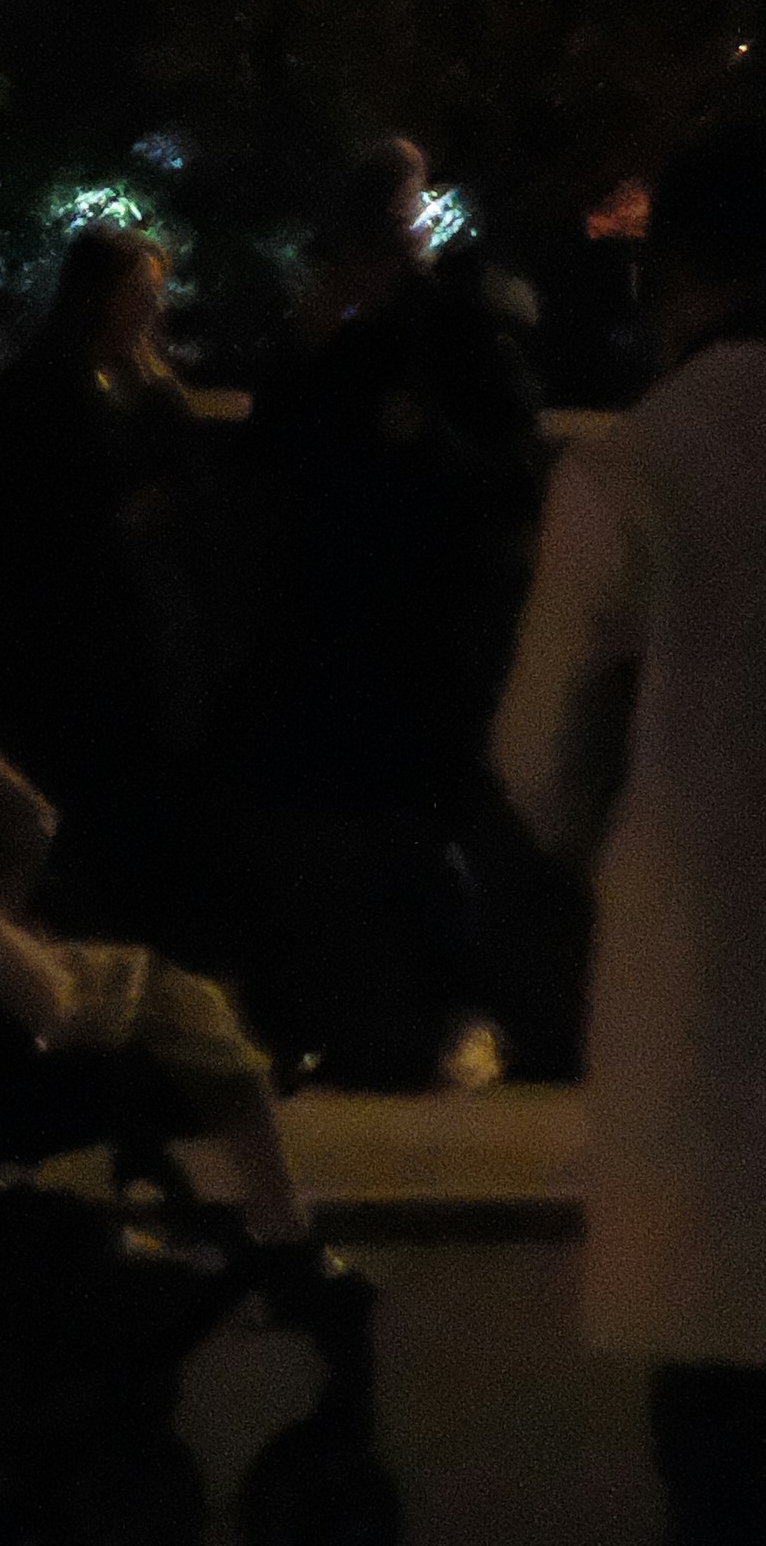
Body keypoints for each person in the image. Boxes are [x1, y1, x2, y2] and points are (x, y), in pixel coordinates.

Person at [493, 95, 766, 1542]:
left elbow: (542, 756)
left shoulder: (639, 466)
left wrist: (624, 841)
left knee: (723, 1429)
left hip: (715, 995)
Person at [227, 125, 545, 1086]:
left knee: (417, 826)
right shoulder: (332, 342)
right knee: (340, 831)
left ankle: (446, 1013)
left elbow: (501, 477)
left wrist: (417, 438)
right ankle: (344, 1020)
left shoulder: (456, 330)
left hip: (418, 628)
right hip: (339, 629)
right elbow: (275, 466)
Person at [0, 219, 212, 933]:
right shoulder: (37, 393)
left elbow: (195, 495)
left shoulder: (152, 394)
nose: (153, 310)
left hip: (145, 653)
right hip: (68, 656)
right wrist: (108, 523)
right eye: (140, 293)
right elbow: (12, 516)